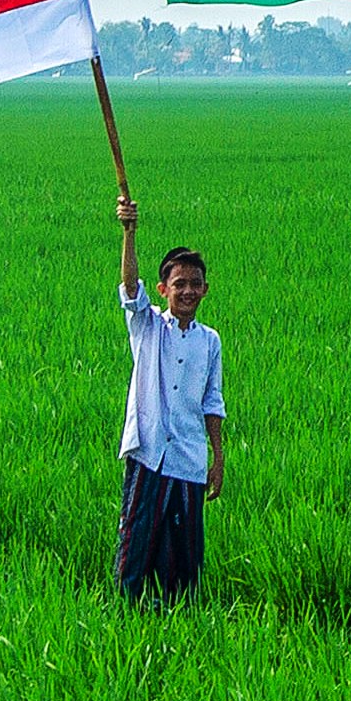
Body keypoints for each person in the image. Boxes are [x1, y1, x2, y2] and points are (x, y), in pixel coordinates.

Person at [112, 197, 225, 604]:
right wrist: (129, 232)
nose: (188, 291)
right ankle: (127, 608)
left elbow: (213, 402)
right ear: (162, 290)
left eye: (195, 284)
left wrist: (217, 457)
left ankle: (179, 612)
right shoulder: (147, 328)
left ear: (205, 289)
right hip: (151, 452)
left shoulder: (209, 341)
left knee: (185, 549)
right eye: (179, 284)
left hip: (190, 458)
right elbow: (129, 288)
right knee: (137, 537)